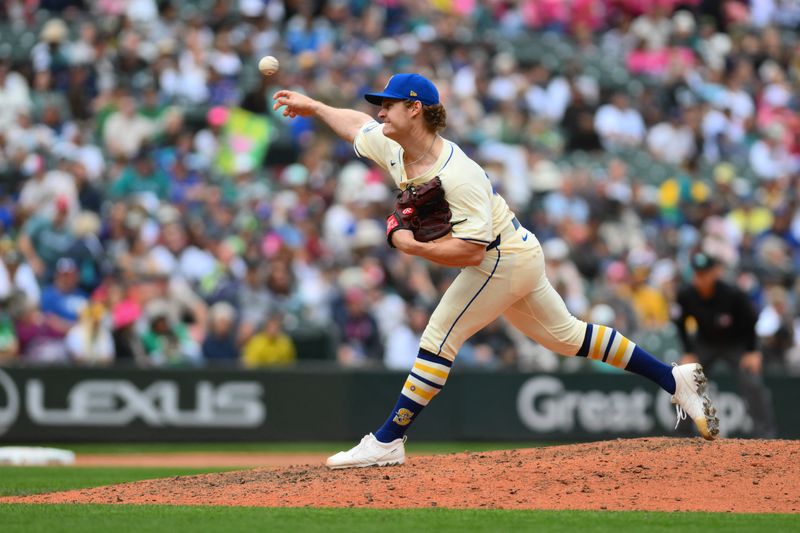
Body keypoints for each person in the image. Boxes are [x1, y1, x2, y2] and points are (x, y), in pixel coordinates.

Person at [272, 73, 719, 470]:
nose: (380, 109)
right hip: (517, 253)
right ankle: (672, 377)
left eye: (389, 103)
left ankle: (387, 440)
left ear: (416, 109)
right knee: (568, 336)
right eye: (380, 103)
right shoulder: (393, 144)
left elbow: (469, 252)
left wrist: (408, 243)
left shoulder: (458, 174)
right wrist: (314, 107)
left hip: (499, 257)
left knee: (439, 337)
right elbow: (354, 124)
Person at [674, 251, 776, 437]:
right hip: (705, 342)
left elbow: (751, 319)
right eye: (697, 273)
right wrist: (688, 351)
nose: (700, 278)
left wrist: (752, 351)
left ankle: (765, 434)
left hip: (736, 343)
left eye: (704, 273)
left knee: (751, 381)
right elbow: (680, 323)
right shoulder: (686, 295)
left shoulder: (732, 294)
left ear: (715, 272)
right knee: (687, 379)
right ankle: (682, 434)